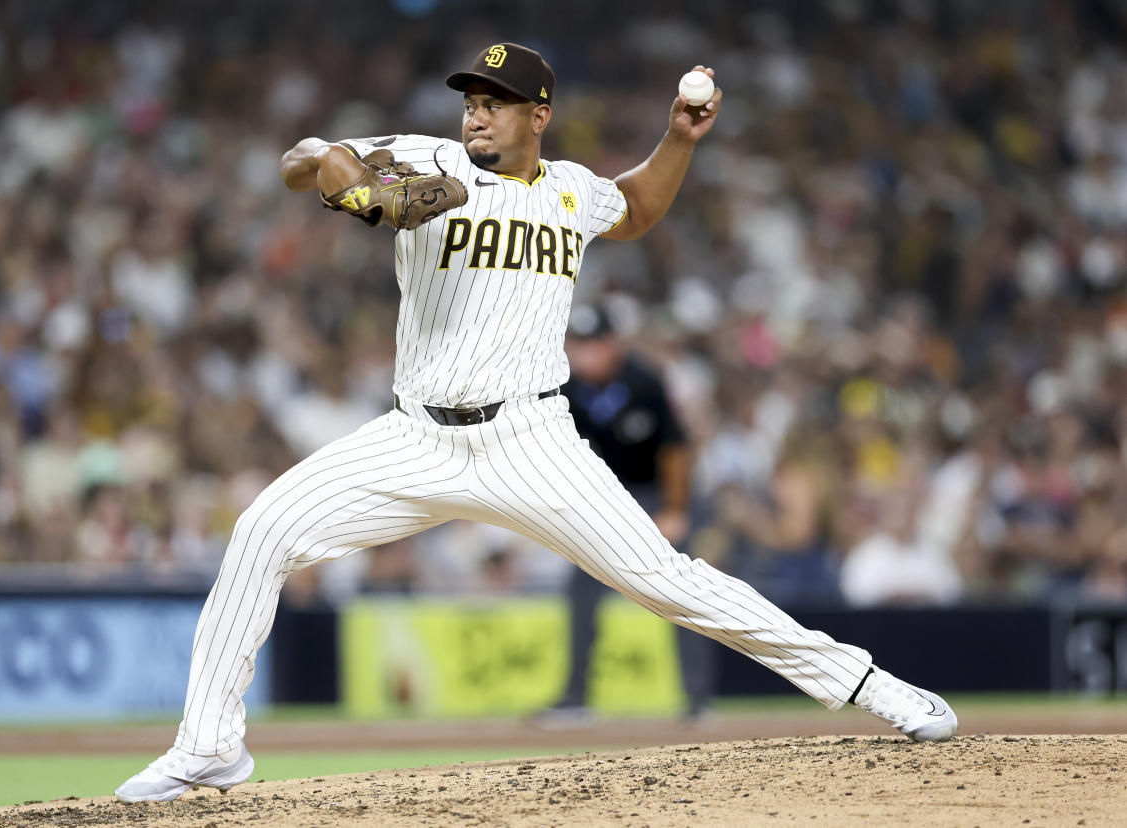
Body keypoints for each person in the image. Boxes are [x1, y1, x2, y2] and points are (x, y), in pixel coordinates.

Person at [116, 43, 957, 804]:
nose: (475, 113)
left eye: (496, 100)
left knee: (669, 582)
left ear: (538, 115)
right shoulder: (431, 160)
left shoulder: (568, 190)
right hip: (415, 437)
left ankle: (868, 686)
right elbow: (307, 159)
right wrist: (347, 176)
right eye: (471, 99)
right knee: (262, 530)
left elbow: (632, 209)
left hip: (530, 439)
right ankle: (209, 748)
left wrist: (680, 141)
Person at [535, 304, 714, 726]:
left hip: (651, 494)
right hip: (599, 499)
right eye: (579, 346)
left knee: (679, 593)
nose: (587, 355)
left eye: (595, 344)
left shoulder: (644, 381)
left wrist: (674, 509)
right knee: (582, 595)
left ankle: (698, 700)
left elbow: (675, 450)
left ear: (613, 344)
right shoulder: (564, 387)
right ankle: (575, 698)